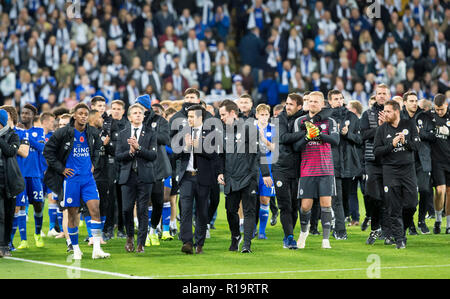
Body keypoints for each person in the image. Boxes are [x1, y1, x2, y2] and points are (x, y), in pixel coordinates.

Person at [43, 103, 110, 260]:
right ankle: (76, 248)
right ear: (74, 115)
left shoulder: (92, 132)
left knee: (95, 210)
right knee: (73, 214)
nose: (83, 116)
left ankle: (97, 249)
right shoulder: (63, 132)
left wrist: (93, 163)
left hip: (88, 179)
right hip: (71, 180)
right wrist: (61, 169)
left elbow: (98, 147)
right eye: (80, 113)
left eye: (86, 114)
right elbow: (48, 151)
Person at [217, 99, 273, 253]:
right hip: (231, 177)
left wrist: (266, 174)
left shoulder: (249, 128)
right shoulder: (222, 131)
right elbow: (221, 155)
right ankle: (235, 236)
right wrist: (220, 172)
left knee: (249, 211)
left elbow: (259, 152)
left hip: (249, 177)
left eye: (223, 114)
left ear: (232, 113)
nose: (221, 117)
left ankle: (247, 244)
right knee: (230, 211)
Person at [293, 91, 339, 249]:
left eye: (315, 102)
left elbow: (335, 140)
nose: (312, 104)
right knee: (305, 206)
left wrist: (318, 134)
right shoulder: (300, 121)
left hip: (326, 169)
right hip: (307, 170)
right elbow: (295, 146)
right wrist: (307, 136)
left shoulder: (330, 121)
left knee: (326, 204)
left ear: (322, 104)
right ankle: (303, 233)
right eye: (310, 101)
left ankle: (326, 239)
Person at [373, 100, 420, 249]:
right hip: (390, 170)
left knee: (412, 204)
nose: (385, 114)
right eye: (384, 111)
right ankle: (399, 239)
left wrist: (405, 142)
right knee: (393, 207)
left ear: (396, 111)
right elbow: (376, 152)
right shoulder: (381, 130)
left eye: (387, 111)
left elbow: (417, 146)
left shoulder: (409, 125)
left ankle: (402, 230)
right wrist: (391, 145)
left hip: (408, 170)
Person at [175, 104, 219, 254]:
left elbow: (214, 155)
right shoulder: (183, 132)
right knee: (185, 210)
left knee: (202, 211)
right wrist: (186, 147)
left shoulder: (211, 133)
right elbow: (175, 153)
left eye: (192, 117)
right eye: (188, 116)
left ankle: (199, 243)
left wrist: (199, 146)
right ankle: (187, 242)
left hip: (203, 177)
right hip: (187, 176)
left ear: (200, 118)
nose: (189, 119)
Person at [116, 104, 158, 253]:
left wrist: (138, 148)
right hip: (127, 177)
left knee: (142, 210)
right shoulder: (122, 134)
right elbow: (118, 156)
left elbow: (153, 155)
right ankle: (129, 237)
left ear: (143, 116)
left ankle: (141, 242)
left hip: (145, 176)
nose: (138, 115)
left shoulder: (151, 133)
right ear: (129, 117)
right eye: (135, 113)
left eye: (140, 113)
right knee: (126, 209)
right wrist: (130, 152)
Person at [271, 93, 305, 249]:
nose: (287, 107)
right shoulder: (279, 119)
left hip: (299, 168)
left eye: (291, 104)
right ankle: (289, 237)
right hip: (280, 167)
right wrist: (305, 134)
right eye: (287, 104)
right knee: (284, 205)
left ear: (299, 106)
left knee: (294, 204)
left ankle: (289, 234)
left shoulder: (304, 118)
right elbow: (283, 137)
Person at [360, 84, 393, 245]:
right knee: (373, 195)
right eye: (379, 93)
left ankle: (387, 232)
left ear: (389, 95)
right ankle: (375, 228)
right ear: (375, 95)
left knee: (388, 198)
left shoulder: (395, 114)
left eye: (384, 93)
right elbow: (363, 134)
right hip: (372, 160)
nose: (381, 96)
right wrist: (380, 128)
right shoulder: (367, 114)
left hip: (390, 161)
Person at [328, 90, 362, 240]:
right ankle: (340, 230)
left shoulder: (352, 117)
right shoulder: (326, 117)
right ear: (329, 101)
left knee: (346, 197)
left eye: (340, 98)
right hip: (331, 162)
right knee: (337, 198)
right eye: (335, 99)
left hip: (349, 164)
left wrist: (348, 133)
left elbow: (360, 139)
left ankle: (337, 222)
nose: (339, 101)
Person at [400, 91, 434, 234]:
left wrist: (421, 133)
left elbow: (433, 136)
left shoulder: (425, 117)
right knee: (408, 195)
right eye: (411, 101)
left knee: (425, 190)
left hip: (422, 159)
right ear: (405, 103)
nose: (414, 103)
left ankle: (421, 220)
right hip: (406, 159)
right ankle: (410, 223)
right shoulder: (400, 117)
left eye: (415, 101)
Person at [15, 104, 46, 249]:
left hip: (35, 174)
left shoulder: (39, 131)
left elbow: (42, 148)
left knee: (38, 205)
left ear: (33, 116)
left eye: (27, 113)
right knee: (20, 206)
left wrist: (26, 136)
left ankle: (38, 234)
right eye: (23, 113)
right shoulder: (16, 132)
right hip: (20, 174)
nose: (24, 115)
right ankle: (23, 240)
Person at [0, 109, 22, 257]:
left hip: (9, 181)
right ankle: (1, 246)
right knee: (0, 214)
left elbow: (10, 152)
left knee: (8, 215)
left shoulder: (13, 135)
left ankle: (6, 244)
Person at [427, 94, 450, 234]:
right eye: (437, 109)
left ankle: (448, 224)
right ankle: (437, 219)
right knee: (440, 191)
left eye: (441, 109)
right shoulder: (429, 117)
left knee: (449, 192)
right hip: (437, 161)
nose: (439, 112)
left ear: (446, 105)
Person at [254, 104, 276, 240]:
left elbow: (275, 149)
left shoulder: (273, 129)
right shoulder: (250, 128)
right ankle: (250, 228)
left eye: (266, 114)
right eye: (261, 114)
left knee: (265, 198)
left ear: (269, 115)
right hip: (253, 167)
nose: (264, 117)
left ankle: (262, 231)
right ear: (256, 115)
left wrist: (263, 139)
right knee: (250, 200)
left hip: (268, 167)